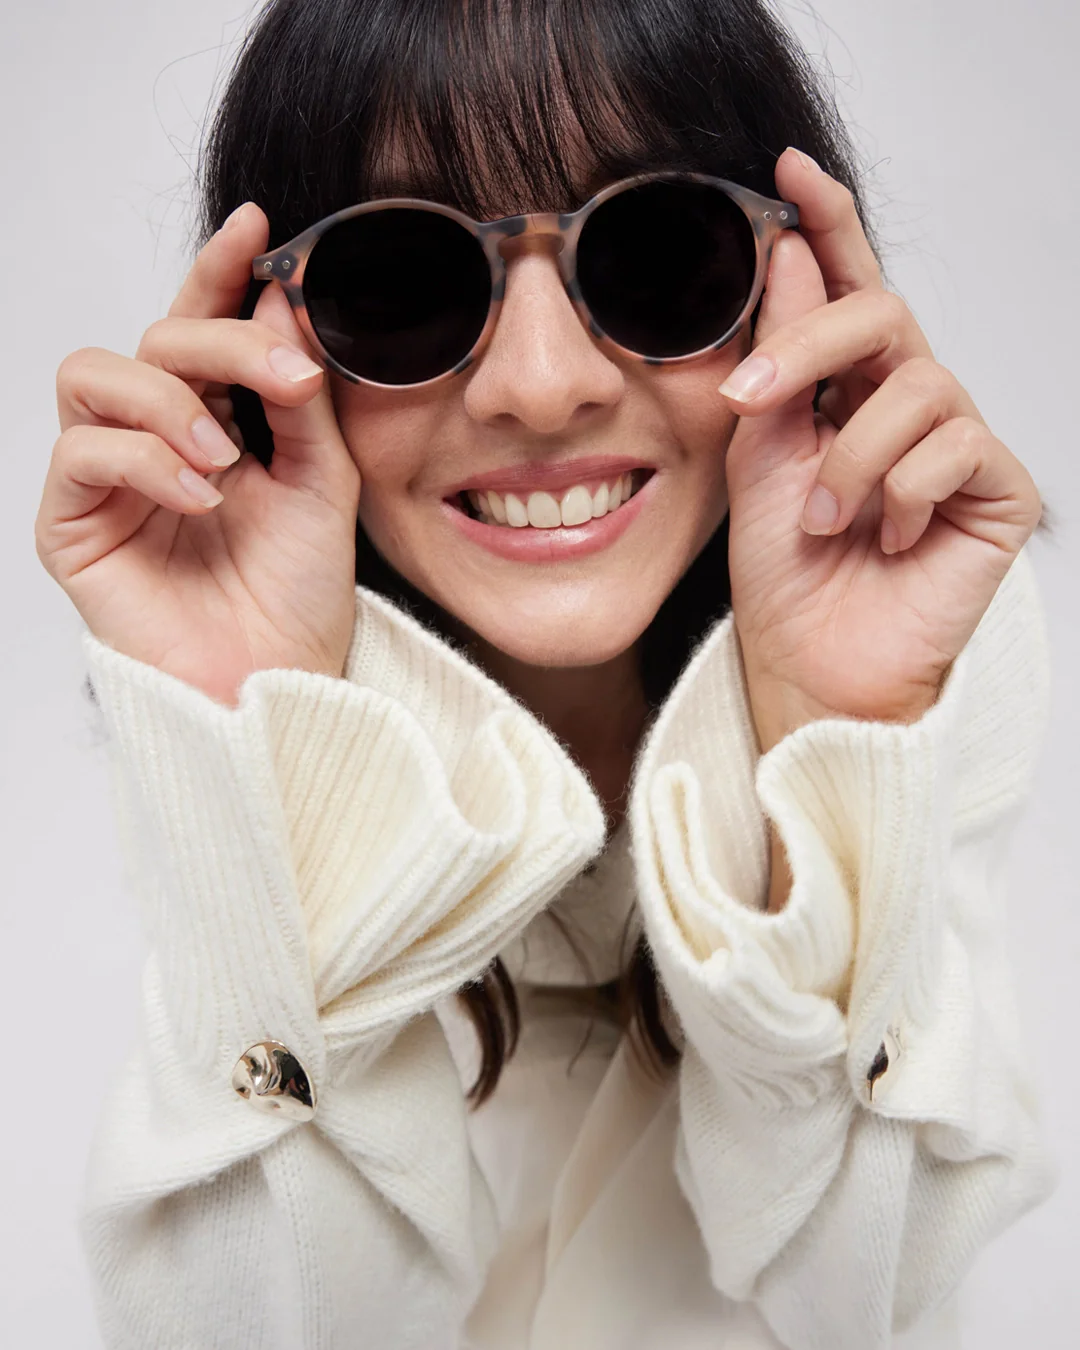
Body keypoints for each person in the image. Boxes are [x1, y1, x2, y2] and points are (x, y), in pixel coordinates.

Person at [33, 0, 1055, 1346]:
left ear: (798, 289)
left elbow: (873, 1304)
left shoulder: (927, 627)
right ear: (274, 337)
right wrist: (256, 758)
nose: (539, 385)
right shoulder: (233, 664)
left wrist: (839, 749)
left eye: (660, 252)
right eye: (399, 280)